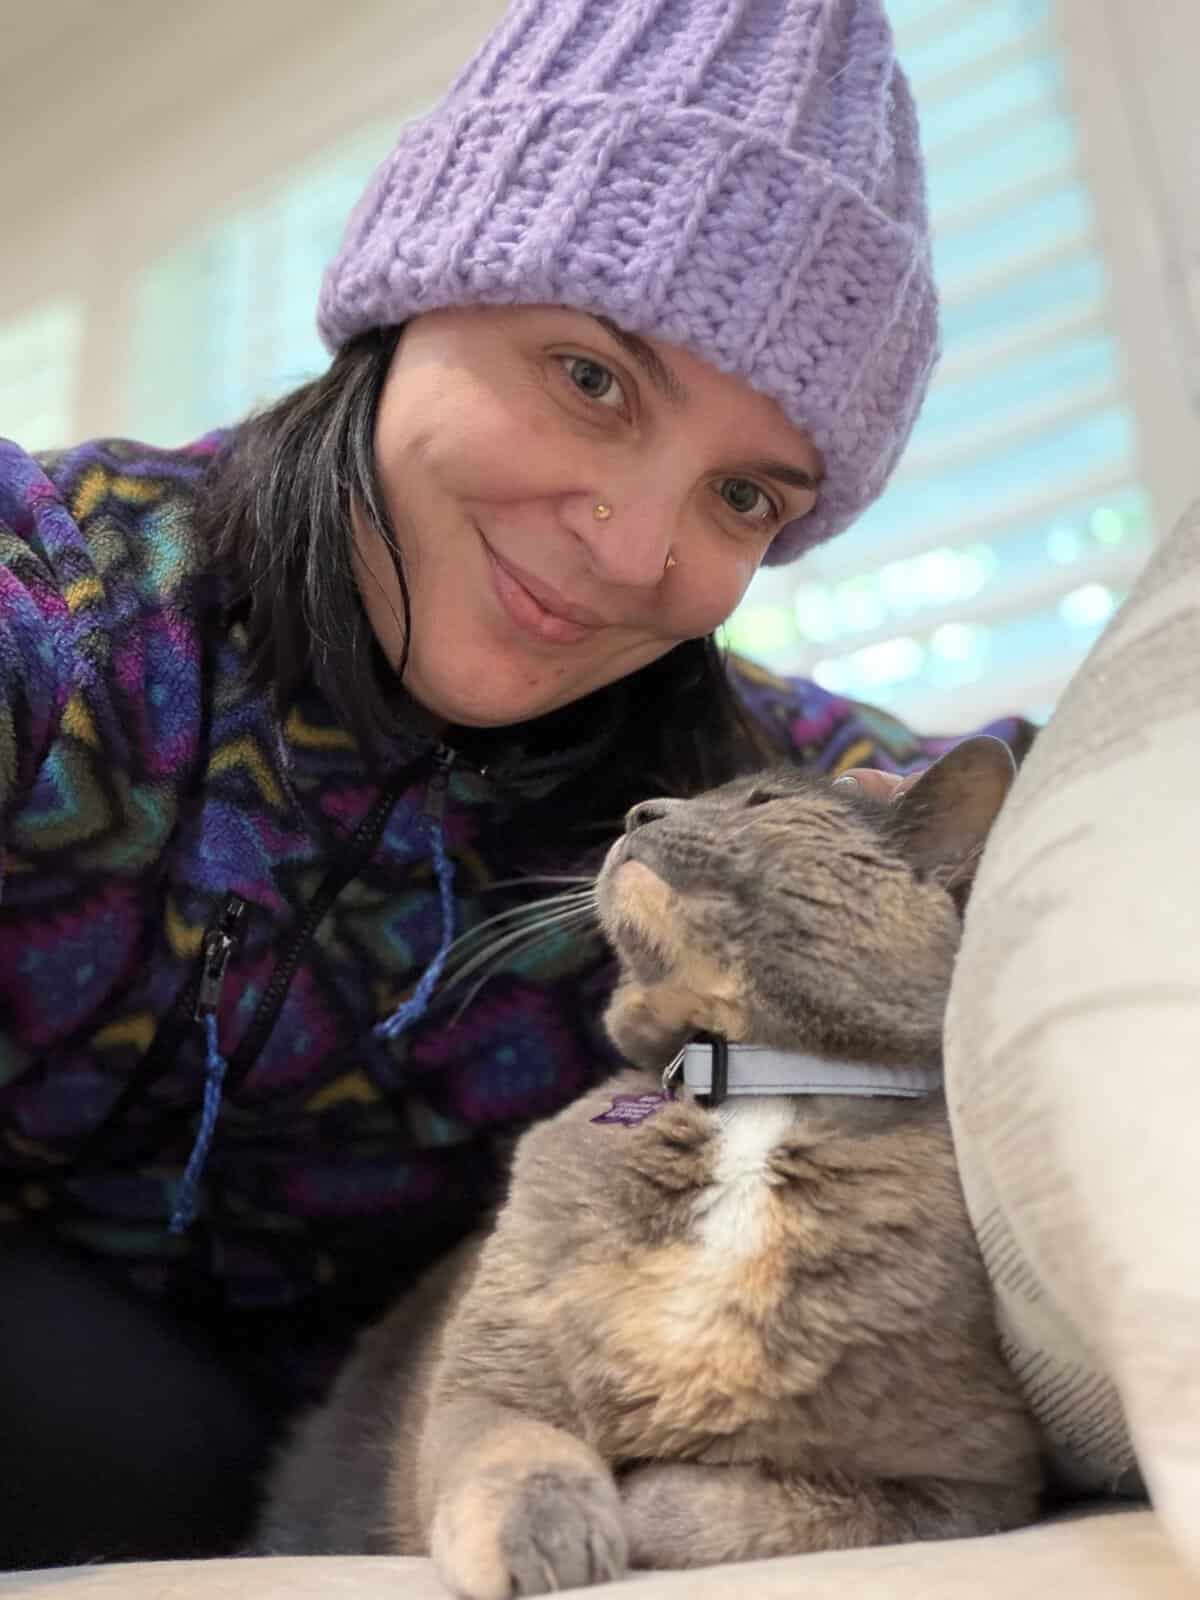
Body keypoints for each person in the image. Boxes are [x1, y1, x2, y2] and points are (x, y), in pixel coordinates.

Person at [0, 0, 1032, 1570]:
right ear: (416, 298)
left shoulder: (745, 796)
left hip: (414, 1436)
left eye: (744, 494)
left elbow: (1061, 789)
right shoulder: (61, 602)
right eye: (592, 380)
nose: (633, 550)